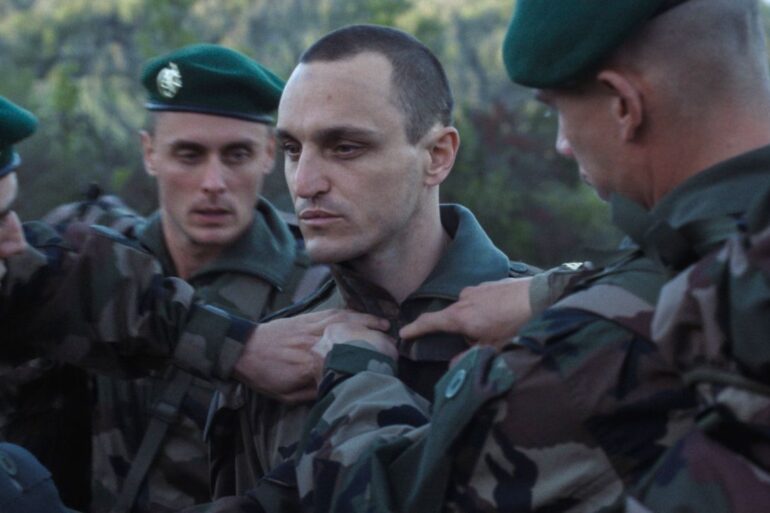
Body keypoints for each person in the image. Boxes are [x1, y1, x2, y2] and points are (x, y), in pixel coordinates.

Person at [283, 1, 770, 511]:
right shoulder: (718, 263)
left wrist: (352, 370)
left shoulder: (580, 353)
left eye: (558, 111)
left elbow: (381, 499)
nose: (562, 144)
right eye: (292, 150)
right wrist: (554, 292)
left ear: (624, 106)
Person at [0, 44, 378, 513]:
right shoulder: (88, 254)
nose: (213, 182)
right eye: (189, 155)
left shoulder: (319, 293)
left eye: (236, 155)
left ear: (268, 154)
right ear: (149, 153)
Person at [195, 24, 537, 508]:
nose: (305, 183)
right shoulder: (280, 354)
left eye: (345, 148)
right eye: (292, 149)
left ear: (437, 156)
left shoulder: (543, 329)